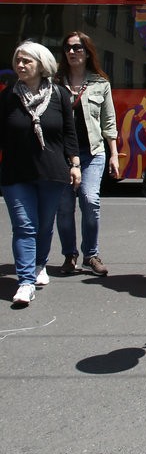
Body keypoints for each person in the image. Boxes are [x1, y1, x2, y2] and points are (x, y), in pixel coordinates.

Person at [1, 41, 80, 306]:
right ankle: (25, 282)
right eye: (18, 61)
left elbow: (69, 132)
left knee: (44, 226)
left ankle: (39, 264)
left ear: (41, 65)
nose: (20, 65)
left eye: (27, 61)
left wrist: (75, 164)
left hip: (52, 172)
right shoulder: (8, 96)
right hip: (15, 173)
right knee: (24, 226)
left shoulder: (58, 95)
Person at [53, 32, 118, 277]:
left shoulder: (100, 83)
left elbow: (108, 122)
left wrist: (113, 154)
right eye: (68, 48)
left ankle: (91, 254)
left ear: (87, 51)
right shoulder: (55, 82)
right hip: (62, 155)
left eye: (78, 48)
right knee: (64, 205)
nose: (72, 52)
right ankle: (70, 256)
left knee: (90, 200)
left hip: (93, 152)